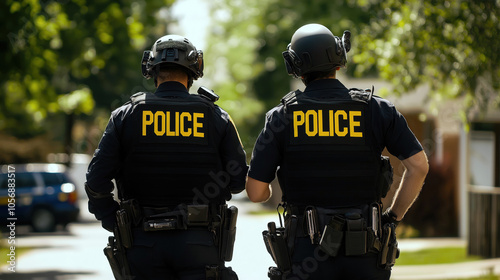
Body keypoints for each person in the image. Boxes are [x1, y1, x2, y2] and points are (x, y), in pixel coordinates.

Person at [246, 23, 429, 279]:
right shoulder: (377, 109)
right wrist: (392, 218)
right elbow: (419, 167)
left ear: (295, 68)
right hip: (367, 249)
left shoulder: (282, 116)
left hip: (306, 254)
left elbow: (255, 193)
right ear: (339, 61)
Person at [85, 34, 248, 280]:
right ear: (194, 70)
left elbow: (96, 181)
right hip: (200, 242)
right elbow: (238, 181)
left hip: (141, 242)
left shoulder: (124, 116)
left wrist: (113, 221)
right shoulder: (217, 117)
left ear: (151, 69)